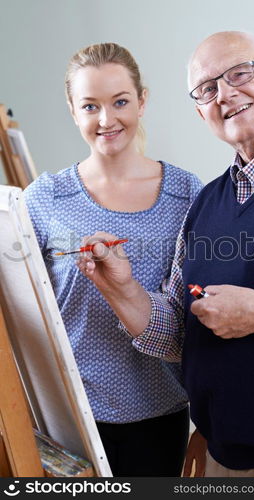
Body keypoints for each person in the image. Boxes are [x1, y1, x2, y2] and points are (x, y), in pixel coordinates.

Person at [77, 31, 254, 477]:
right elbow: (178, 334)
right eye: (208, 89)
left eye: (240, 74)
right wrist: (122, 288)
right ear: (200, 111)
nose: (225, 95)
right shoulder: (206, 204)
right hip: (218, 455)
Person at [24, 42, 203, 477]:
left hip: (161, 413)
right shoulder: (44, 199)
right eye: (90, 106)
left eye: (120, 101)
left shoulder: (187, 193)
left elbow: (195, 305)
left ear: (142, 101)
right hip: (68, 417)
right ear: (73, 110)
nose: (106, 120)